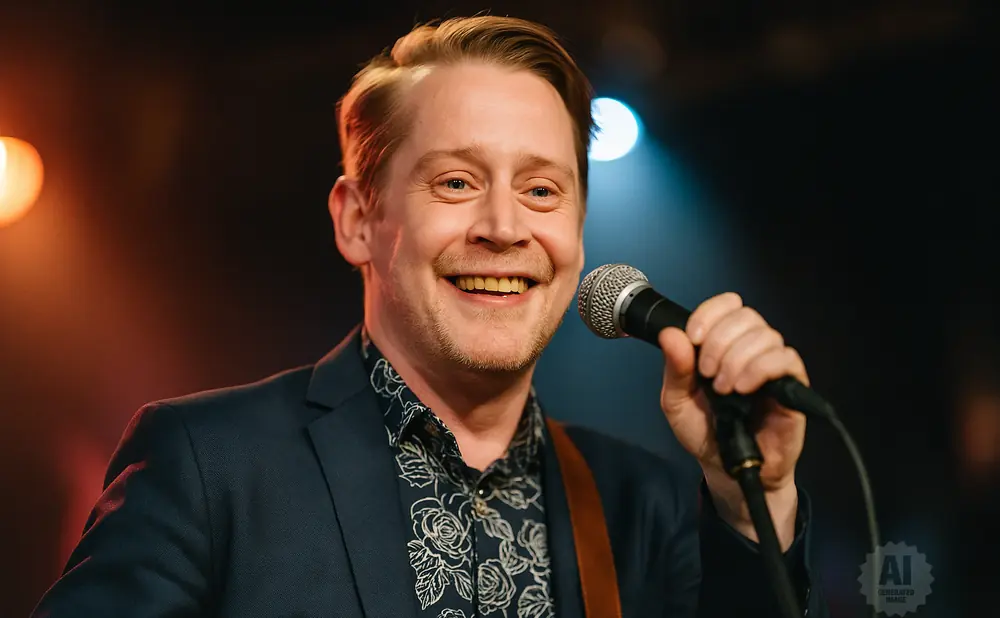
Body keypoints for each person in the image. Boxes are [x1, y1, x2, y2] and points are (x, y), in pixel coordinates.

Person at [32, 15, 828, 618]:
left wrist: (753, 497)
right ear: (357, 221)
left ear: (579, 237)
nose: (506, 226)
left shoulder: (645, 500)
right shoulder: (210, 469)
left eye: (542, 190)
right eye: (455, 182)